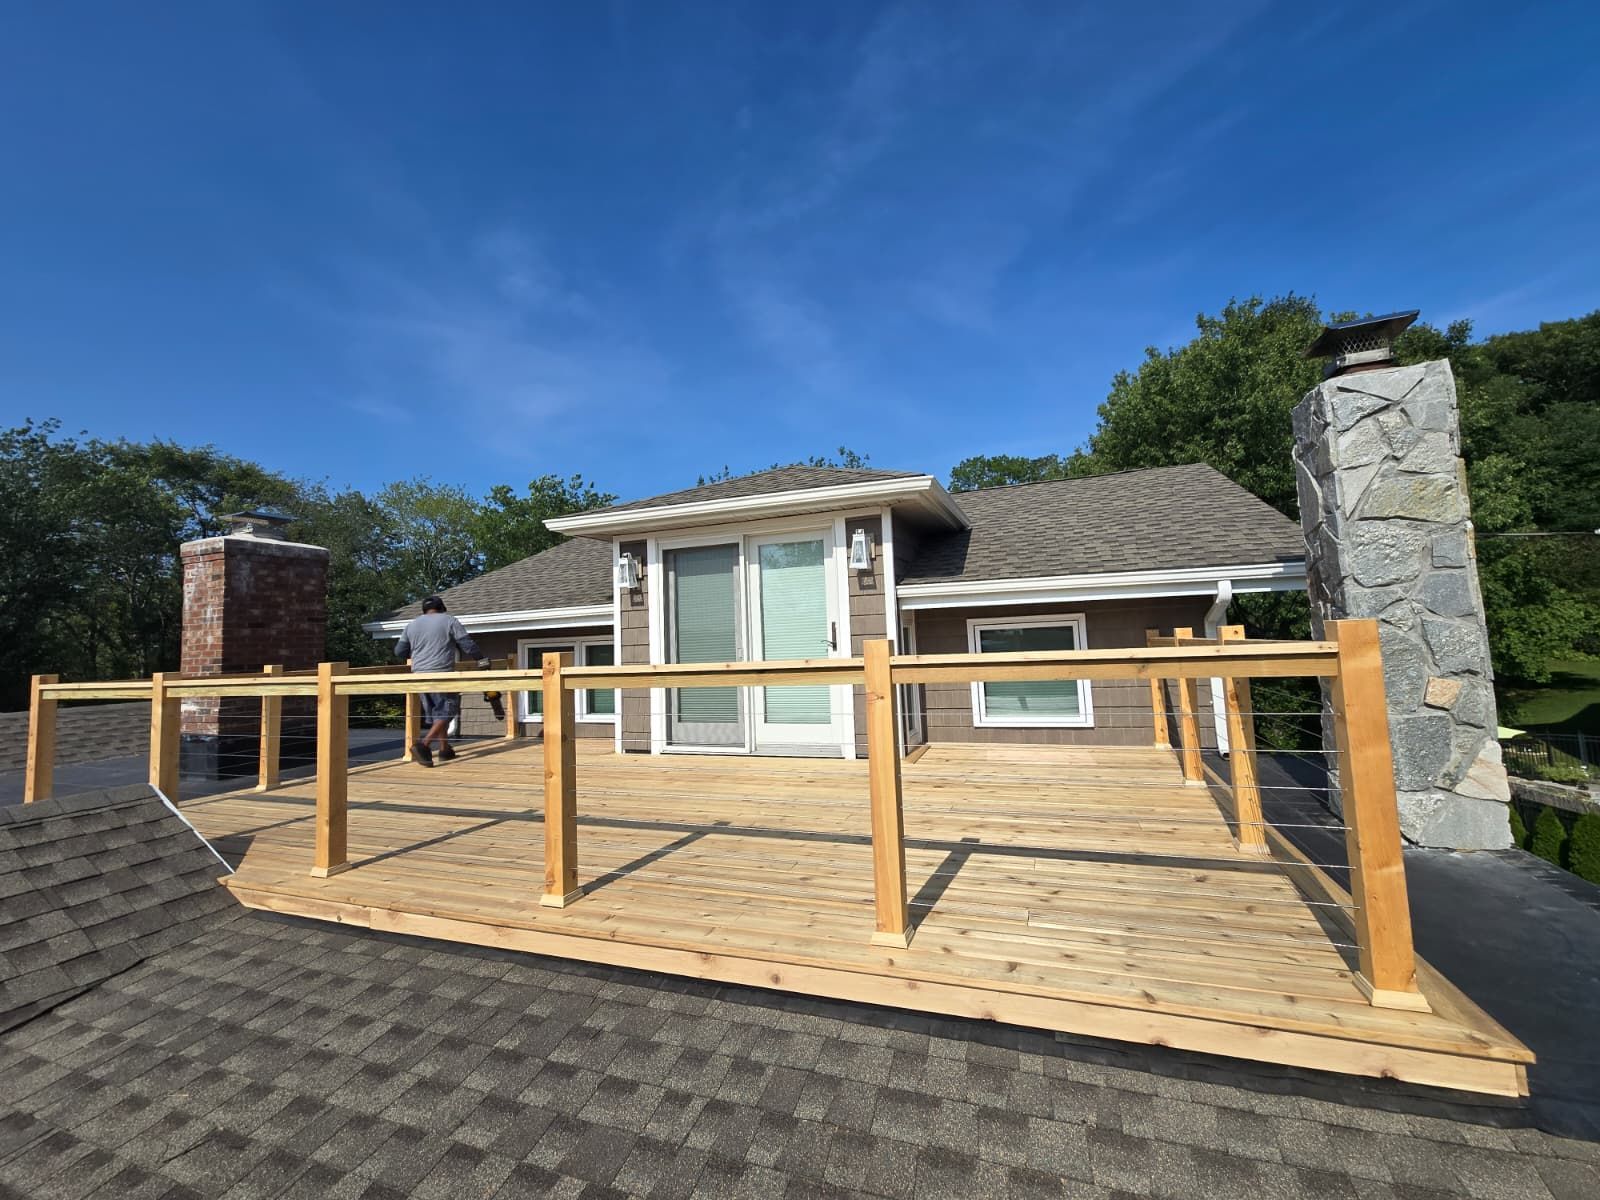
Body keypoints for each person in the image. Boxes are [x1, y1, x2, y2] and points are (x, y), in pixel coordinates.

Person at [394, 595, 489, 767]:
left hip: (419, 676)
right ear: (442, 608)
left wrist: (419, 655)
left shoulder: (412, 624)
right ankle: (423, 745)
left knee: (438, 715)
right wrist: (481, 660)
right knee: (448, 709)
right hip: (441, 674)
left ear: (424, 610)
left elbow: (400, 651)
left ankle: (445, 750)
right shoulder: (449, 620)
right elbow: (467, 643)